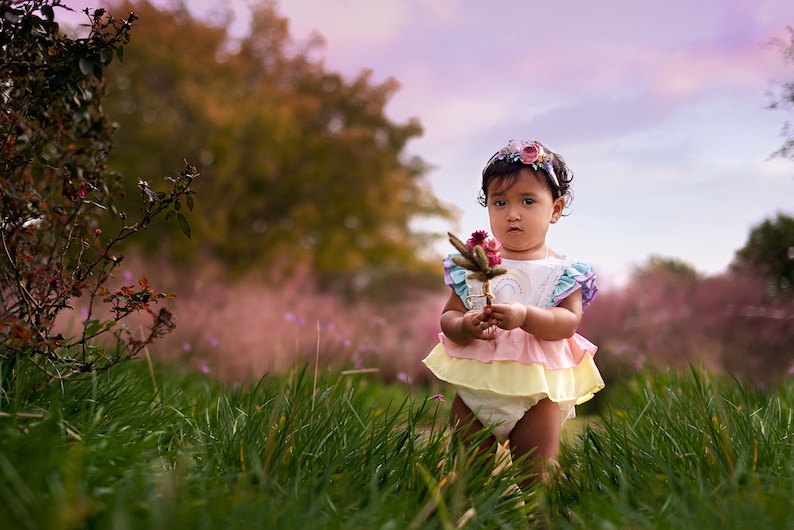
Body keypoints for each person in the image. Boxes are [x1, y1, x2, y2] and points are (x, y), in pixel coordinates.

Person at [423, 138, 604, 488]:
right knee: (469, 471)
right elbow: (448, 317)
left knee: (535, 473)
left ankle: (536, 515)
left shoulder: (563, 271)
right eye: (500, 202)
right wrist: (465, 325)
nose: (513, 213)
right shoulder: (474, 264)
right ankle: (472, 510)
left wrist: (526, 317)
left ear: (555, 209)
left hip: (538, 393)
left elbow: (568, 323)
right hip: (476, 387)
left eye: (528, 201)